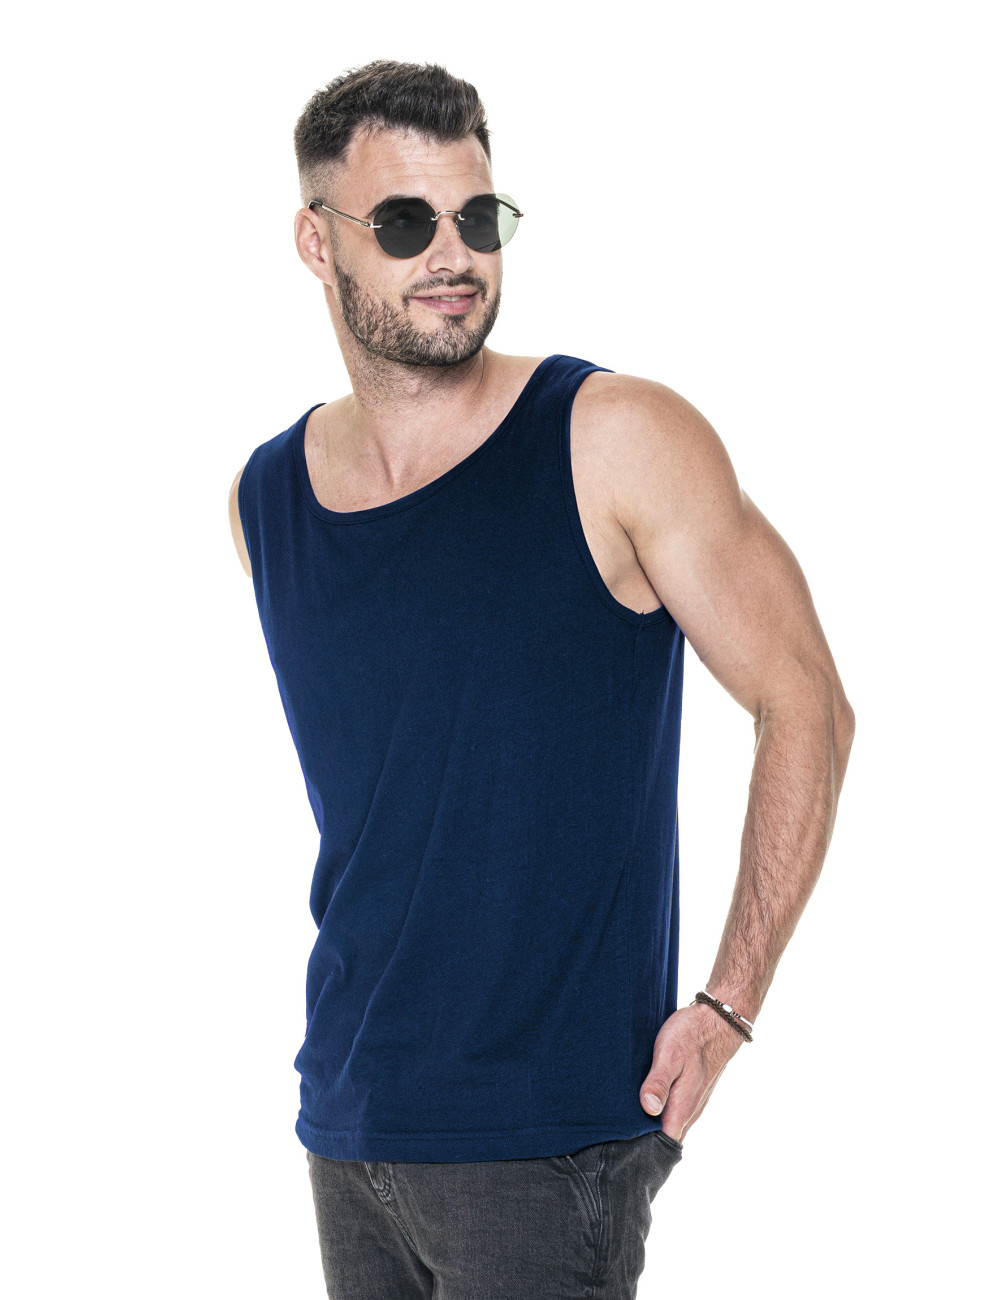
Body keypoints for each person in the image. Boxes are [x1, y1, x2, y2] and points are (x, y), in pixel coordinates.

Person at [228, 58, 855, 1300]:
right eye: (402, 223)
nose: (452, 254)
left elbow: (806, 702)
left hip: (548, 1139)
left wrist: (729, 1005)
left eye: (477, 216)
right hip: (347, 1121)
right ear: (316, 241)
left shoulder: (613, 436)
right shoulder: (268, 497)